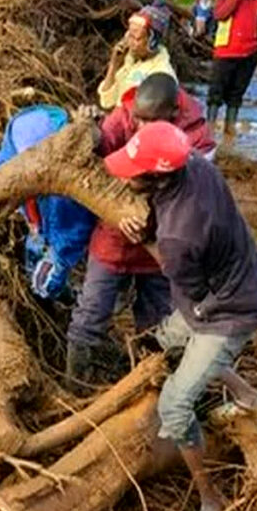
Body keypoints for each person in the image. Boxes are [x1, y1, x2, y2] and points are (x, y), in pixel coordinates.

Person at [104, 120, 257, 511]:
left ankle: (211, 507)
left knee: (175, 404)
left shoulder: (179, 237)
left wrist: (154, 239)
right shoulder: (198, 165)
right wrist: (149, 227)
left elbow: (191, 293)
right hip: (249, 277)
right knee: (171, 340)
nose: (125, 174)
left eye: (133, 170)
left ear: (155, 177)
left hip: (230, 310)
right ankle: (247, 396)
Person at [67, 74, 215, 385]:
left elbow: (193, 197)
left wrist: (149, 222)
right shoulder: (127, 113)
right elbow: (99, 161)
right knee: (91, 312)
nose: (141, 128)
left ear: (173, 115)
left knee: (156, 321)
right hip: (115, 230)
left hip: (162, 241)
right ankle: (75, 385)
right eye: (139, 120)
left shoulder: (197, 135)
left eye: (152, 122)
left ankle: (147, 385)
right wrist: (87, 131)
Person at [0, 105, 95, 300]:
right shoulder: (16, 142)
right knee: (32, 259)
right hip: (36, 224)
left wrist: (59, 257)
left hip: (60, 234)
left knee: (45, 286)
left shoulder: (66, 190)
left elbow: (73, 230)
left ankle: (67, 299)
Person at [208, 0, 257, 137]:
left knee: (236, 94)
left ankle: (230, 129)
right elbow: (220, 15)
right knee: (216, 93)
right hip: (226, 51)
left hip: (249, 54)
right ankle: (209, 130)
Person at [98, 2, 176, 110]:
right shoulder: (130, 61)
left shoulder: (161, 74)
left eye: (137, 39)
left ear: (153, 41)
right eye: (130, 36)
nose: (131, 43)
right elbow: (106, 102)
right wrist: (113, 65)